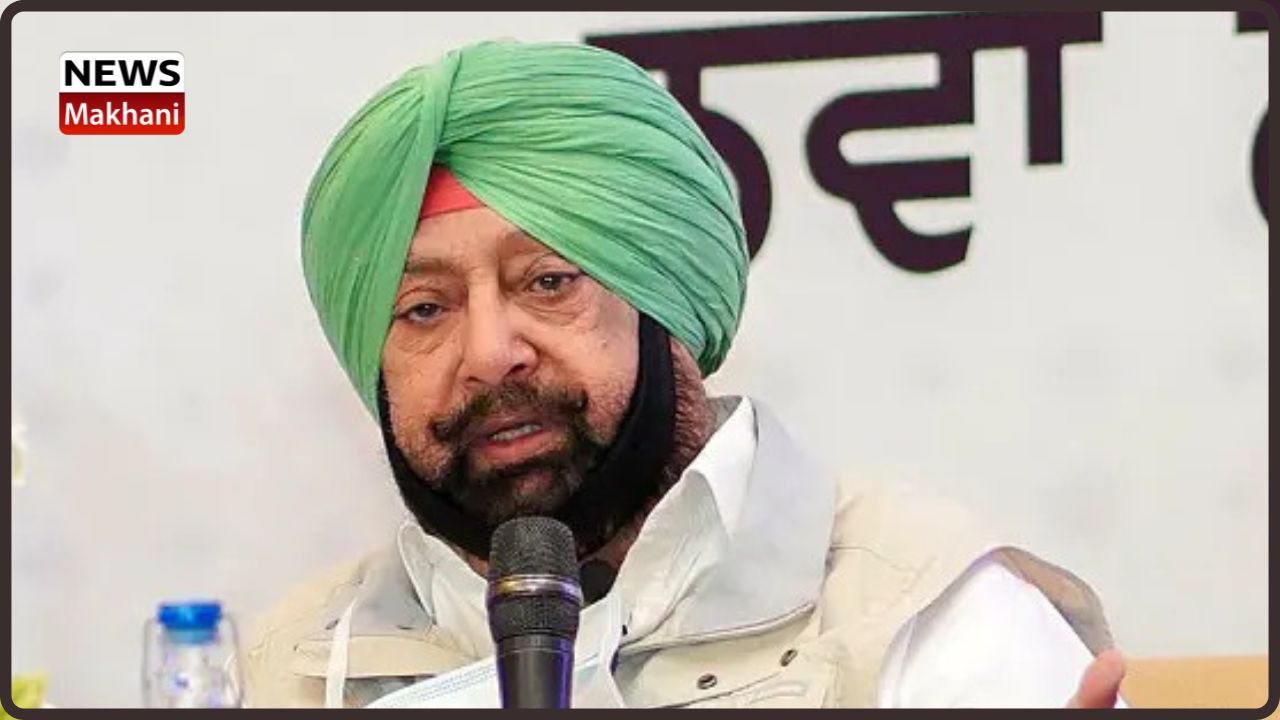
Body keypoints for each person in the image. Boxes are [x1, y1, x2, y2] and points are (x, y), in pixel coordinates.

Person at [241, 40, 1127, 709]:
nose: (488, 352)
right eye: (424, 309)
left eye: (547, 282)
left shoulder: (922, 615)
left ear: (663, 303)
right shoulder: (295, 669)